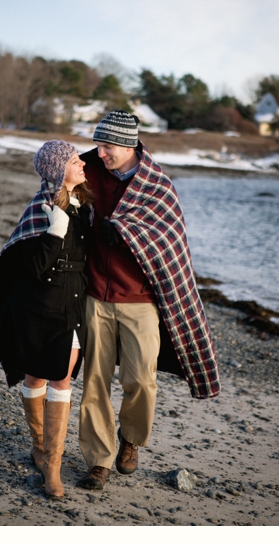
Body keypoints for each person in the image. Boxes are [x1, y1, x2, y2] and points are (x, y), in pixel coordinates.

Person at [76, 110, 220, 491]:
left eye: (107, 146)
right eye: (98, 144)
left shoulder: (156, 183)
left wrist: (122, 234)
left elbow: (166, 239)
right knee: (95, 381)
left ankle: (131, 440)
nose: (101, 152)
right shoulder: (88, 169)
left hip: (139, 299)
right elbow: (60, 189)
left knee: (141, 380)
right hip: (95, 294)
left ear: (128, 144)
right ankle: (98, 461)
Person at [0, 140, 94, 498]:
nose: (82, 164)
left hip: (72, 306)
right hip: (37, 305)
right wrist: (55, 231)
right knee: (35, 374)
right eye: (74, 160)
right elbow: (31, 269)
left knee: (61, 379)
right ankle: (39, 446)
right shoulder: (43, 207)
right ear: (56, 169)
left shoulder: (85, 206)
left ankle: (53, 465)